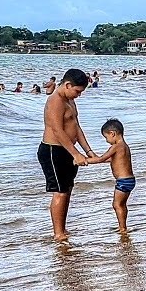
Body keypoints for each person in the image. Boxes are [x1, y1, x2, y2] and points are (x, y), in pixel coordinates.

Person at [37, 69, 95, 242]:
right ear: (68, 85)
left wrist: (87, 151)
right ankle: (58, 234)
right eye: (77, 91)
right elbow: (57, 130)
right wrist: (76, 153)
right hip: (53, 151)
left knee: (67, 190)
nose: (79, 95)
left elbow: (76, 127)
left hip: (67, 151)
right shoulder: (55, 100)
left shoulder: (69, 100)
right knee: (60, 192)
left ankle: (62, 228)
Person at [89, 119, 134, 233]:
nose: (107, 141)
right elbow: (110, 160)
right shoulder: (124, 146)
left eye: (106, 137)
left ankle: (122, 228)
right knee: (121, 204)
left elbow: (101, 158)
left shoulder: (116, 147)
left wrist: (86, 160)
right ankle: (123, 226)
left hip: (123, 181)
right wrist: (96, 159)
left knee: (117, 204)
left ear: (112, 133)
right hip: (129, 180)